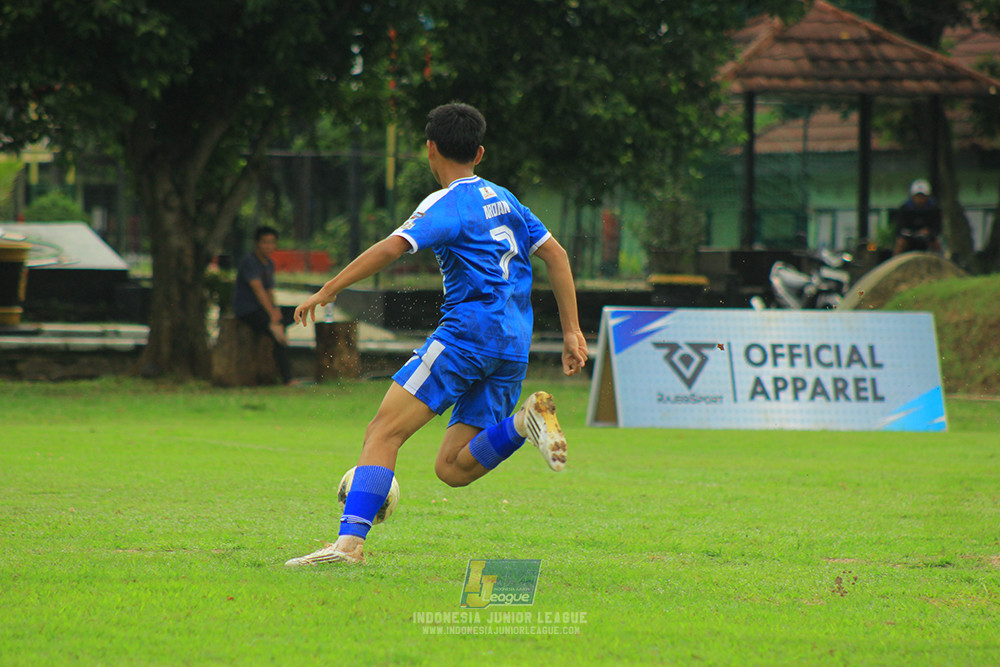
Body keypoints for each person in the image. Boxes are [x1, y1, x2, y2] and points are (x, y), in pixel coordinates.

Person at [285, 102, 589, 567]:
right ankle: (523, 422)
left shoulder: (446, 203)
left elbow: (393, 247)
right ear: (479, 153)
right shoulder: (507, 199)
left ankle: (348, 547)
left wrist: (329, 289)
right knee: (452, 468)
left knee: (382, 432)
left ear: (430, 149)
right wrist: (572, 332)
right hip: (512, 344)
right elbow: (558, 256)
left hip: (467, 335)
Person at [232, 225, 295, 385]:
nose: (268, 246)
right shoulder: (250, 261)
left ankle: (277, 326)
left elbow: (269, 291)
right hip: (248, 310)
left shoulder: (269, 264)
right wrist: (272, 317)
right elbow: (258, 290)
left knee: (297, 312)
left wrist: (275, 311)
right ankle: (287, 378)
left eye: (271, 242)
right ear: (257, 243)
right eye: (265, 242)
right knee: (278, 336)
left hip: (264, 310)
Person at [893, 179, 942, 256]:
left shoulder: (934, 209)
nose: (920, 199)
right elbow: (900, 228)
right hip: (909, 237)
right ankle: (895, 261)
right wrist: (912, 232)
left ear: (927, 197)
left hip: (927, 237)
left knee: (937, 242)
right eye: (917, 196)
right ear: (912, 197)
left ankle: (940, 261)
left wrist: (929, 232)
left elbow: (938, 228)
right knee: (900, 242)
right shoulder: (904, 209)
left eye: (922, 196)